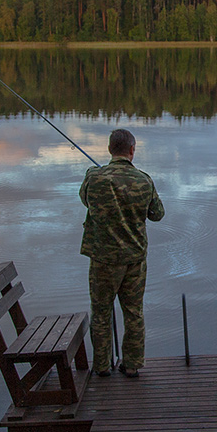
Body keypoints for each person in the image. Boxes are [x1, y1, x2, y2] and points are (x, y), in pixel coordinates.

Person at [80, 128, 165, 377]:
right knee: (134, 312)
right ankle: (132, 365)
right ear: (132, 150)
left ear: (109, 149)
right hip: (134, 259)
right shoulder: (144, 180)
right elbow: (157, 215)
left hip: (103, 259)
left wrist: (92, 175)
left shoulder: (94, 178)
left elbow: (85, 200)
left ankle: (103, 366)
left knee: (101, 312)